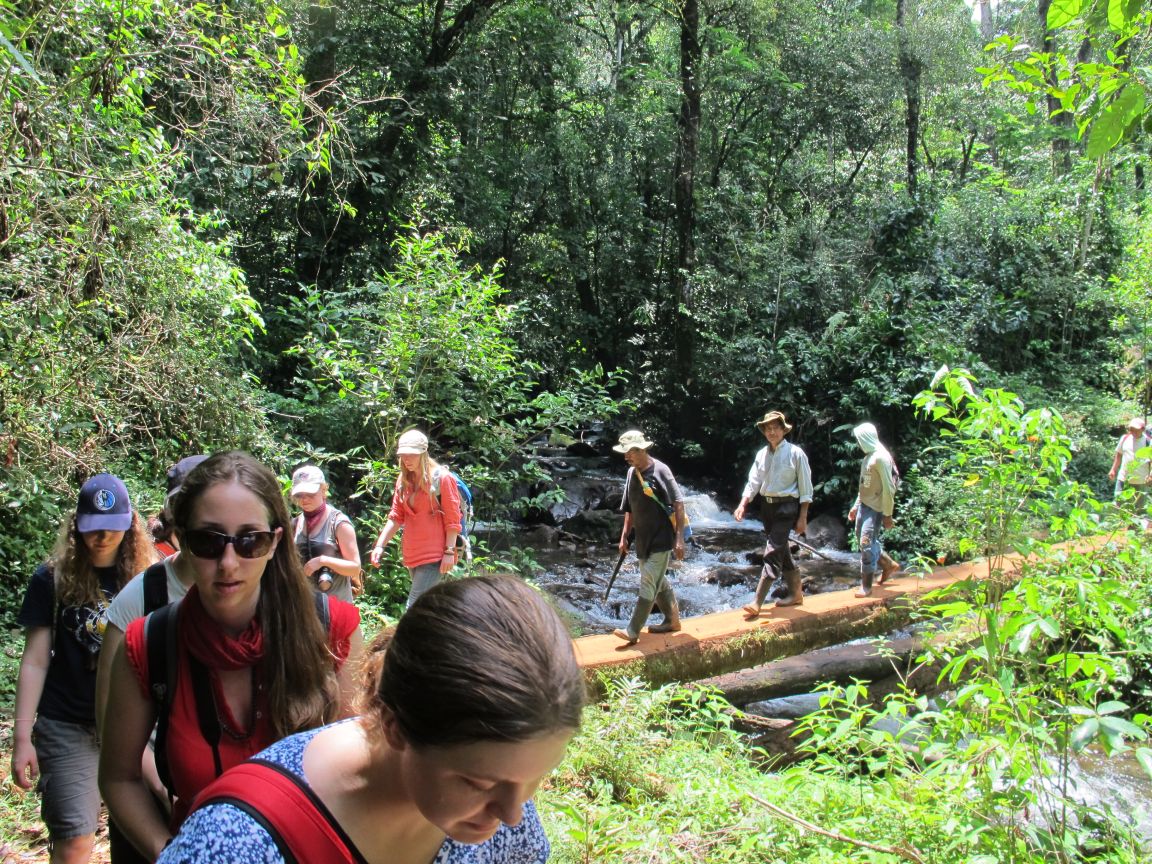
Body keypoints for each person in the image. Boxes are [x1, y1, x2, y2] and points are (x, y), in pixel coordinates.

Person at [157, 575, 586, 864]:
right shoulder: (235, 844)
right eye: (477, 783)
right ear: (396, 726)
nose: (513, 814)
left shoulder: (500, 807)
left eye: (535, 779)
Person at [99, 451, 365, 860]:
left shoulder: (333, 630)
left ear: (275, 542)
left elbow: (360, 776)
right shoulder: (149, 643)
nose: (228, 563)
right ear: (182, 541)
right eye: (208, 541)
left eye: (249, 541)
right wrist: (170, 854)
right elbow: (119, 776)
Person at [11, 474, 154, 864]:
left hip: (135, 725)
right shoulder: (51, 579)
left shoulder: (147, 580)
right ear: (77, 526)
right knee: (74, 839)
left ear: (130, 526)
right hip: (69, 723)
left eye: (112, 528)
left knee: (149, 834)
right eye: (94, 529)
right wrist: (22, 736)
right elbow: (37, 659)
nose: (103, 537)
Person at [96, 455, 206, 864]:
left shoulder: (260, 592)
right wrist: (158, 784)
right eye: (188, 508)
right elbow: (110, 720)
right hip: (150, 793)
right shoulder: (141, 599)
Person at [368, 430, 462, 609]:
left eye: (412, 454)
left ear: (423, 453)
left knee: (414, 607)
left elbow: (453, 520)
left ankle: (405, 638)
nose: (407, 459)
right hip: (412, 554)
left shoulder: (442, 478)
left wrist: (449, 552)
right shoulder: (403, 480)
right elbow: (396, 517)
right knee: (428, 607)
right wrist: (380, 545)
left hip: (434, 556)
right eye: (403, 455)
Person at [734, 411, 813, 615]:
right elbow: (753, 481)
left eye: (775, 427)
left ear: (782, 430)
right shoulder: (762, 454)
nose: (771, 431)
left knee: (772, 551)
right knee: (781, 551)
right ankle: (796, 594)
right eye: (767, 428)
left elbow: (806, 488)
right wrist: (743, 504)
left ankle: (757, 602)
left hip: (787, 507)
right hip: (767, 507)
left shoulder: (796, 453)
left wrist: (803, 516)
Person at [611, 430, 686, 645]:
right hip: (642, 539)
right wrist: (624, 535)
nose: (626, 457)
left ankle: (633, 630)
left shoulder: (661, 470)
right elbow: (629, 508)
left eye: (629, 453)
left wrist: (679, 538)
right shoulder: (631, 474)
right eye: (625, 453)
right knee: (657, 580)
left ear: (641, 450)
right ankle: (672, 620)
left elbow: (679, 503)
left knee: (648, 580)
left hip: (662, 538)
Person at [290, 464, 363, 601]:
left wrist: (323, 561)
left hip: (336, 608)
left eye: (310, 493)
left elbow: (355, 568)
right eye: (300, 495)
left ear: (324, 490)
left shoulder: (338, 523)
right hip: (306, 607)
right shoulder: (295, 524)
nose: (304, 499)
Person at [848, 422, 897, 598]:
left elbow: (889, 488)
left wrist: (887, 514)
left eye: (860, 439)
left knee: (866, 542)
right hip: (864, 506)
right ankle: (888, 564)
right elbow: (864, 486)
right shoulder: (868, 457)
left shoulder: (881, 458)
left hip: (875, 508)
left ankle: (866, 586)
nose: (859, 443)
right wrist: (855, 506)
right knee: (863, 540)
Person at [1109, 417, 1151, 514]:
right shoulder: (1125, 438)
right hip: (1123, 478)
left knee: (1138, 508)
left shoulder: (1148, 442)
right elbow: (1119, 454)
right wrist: (1113, 470)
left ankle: (1135, 527)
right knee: (1118, 503)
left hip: (1141, 480)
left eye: (1136, 430)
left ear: (1142, 429)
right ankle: (1118, 525)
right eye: (1131, 430)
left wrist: (1151, 475)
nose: (1133, 432)